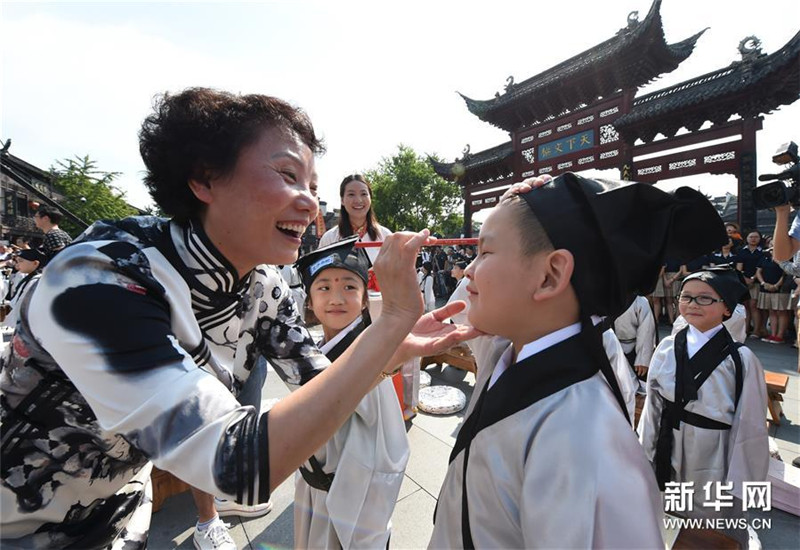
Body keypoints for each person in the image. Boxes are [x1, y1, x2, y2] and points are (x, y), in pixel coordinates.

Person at [0, 88, 475, 549]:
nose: (310, 202)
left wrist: (389, 350)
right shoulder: (103, 275)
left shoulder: (263, 284)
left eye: (312, 186)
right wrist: (391, 321)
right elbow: (237, 466)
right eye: (287, 174)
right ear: (204, 179)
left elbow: (320, 384)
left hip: (122, 516)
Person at [430, 172, 724, 548]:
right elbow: (469, 309)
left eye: (485, 253)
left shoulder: (584, 439)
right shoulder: (515, 348)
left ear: (551, 275)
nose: (468, 270)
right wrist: (510, 212)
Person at [293, 237, 408, 549]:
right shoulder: (314, 351)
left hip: (349, 497)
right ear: (309, 301)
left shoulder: (368, 355)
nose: (336, 298)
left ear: (365, 299)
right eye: (324, 287)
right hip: (313, 485)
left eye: (349, 286)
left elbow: (385, 445)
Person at [638, 268, 768, 544]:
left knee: (709, 519)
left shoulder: (741, 359)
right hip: (669, 440)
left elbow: (750, 423)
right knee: (668, 510)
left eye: (705, 298)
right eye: (686, 297)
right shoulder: (667, 347)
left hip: (713, 449)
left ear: (727, 308)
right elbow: (653, 406)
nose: (693, 304)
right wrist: (644, 450)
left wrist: (744, 479)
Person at [318, 174, 392, 266]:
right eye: (351, 194)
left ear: (370, 198)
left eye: (363, 194)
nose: (358, 200)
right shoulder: (329, 238)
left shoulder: (386, 236)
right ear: (342, 200)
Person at [613, 295, 657, 381]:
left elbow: (646, 330)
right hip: (611, 347)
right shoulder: (605, 298)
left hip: (634, 348)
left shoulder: (640, 301)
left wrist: (642, 359)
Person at [755, 249, 793, 344]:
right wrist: (763, 283)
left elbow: (786, 273)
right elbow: (758, 271)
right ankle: (773, 334)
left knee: (781, 312)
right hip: (766, 287)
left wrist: (776, 285)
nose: (773, 249)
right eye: (771, 247)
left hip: (781, 289)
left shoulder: (786, 258)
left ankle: (780, 335)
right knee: (771, 311)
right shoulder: (765, 258)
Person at [1, 249, 44, 331]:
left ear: (35, 263)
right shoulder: (30, 277)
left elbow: (23, 304)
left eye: (21, 261)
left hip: (27, 324)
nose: (17, 264)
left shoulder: (36, 281)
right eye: (17, 261)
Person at [736, 230, 766, 338]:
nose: (753, 239)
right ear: (747, 238)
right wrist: (744, 279)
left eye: (756, 237)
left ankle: (757, 330)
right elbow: (739, 268)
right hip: (743, 282)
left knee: (754, 306)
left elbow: (761, 267)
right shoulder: (741, 251)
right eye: (751, 237)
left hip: (757, 282)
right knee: (745, 306)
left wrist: (753, 278)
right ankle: (745, 329)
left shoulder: (763, 251)